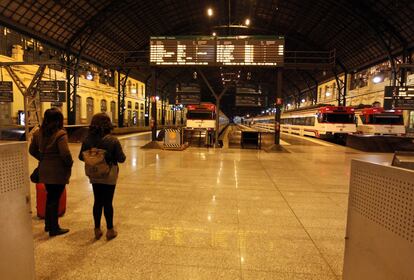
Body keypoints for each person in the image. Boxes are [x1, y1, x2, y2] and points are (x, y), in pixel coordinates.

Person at [79, 113, 126, 240]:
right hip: (109, 174)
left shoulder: (88, 140)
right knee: (108, 202)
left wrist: (94, 158)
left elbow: (80, 157)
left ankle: (97, 229)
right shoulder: (112, 140)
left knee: (97, 201)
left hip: (94, 174)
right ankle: (110, 230)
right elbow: (121, 159)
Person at [29, 108, 73, 237]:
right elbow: (65, 153)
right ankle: (54, 228)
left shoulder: (38, 133)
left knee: (50, 198)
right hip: (57, 171)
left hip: (44, 170)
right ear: (59, 119)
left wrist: (42, 158)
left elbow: (32, 150)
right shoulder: (60, 134)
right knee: (54, 199)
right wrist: (69, 163)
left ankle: (48, 225)